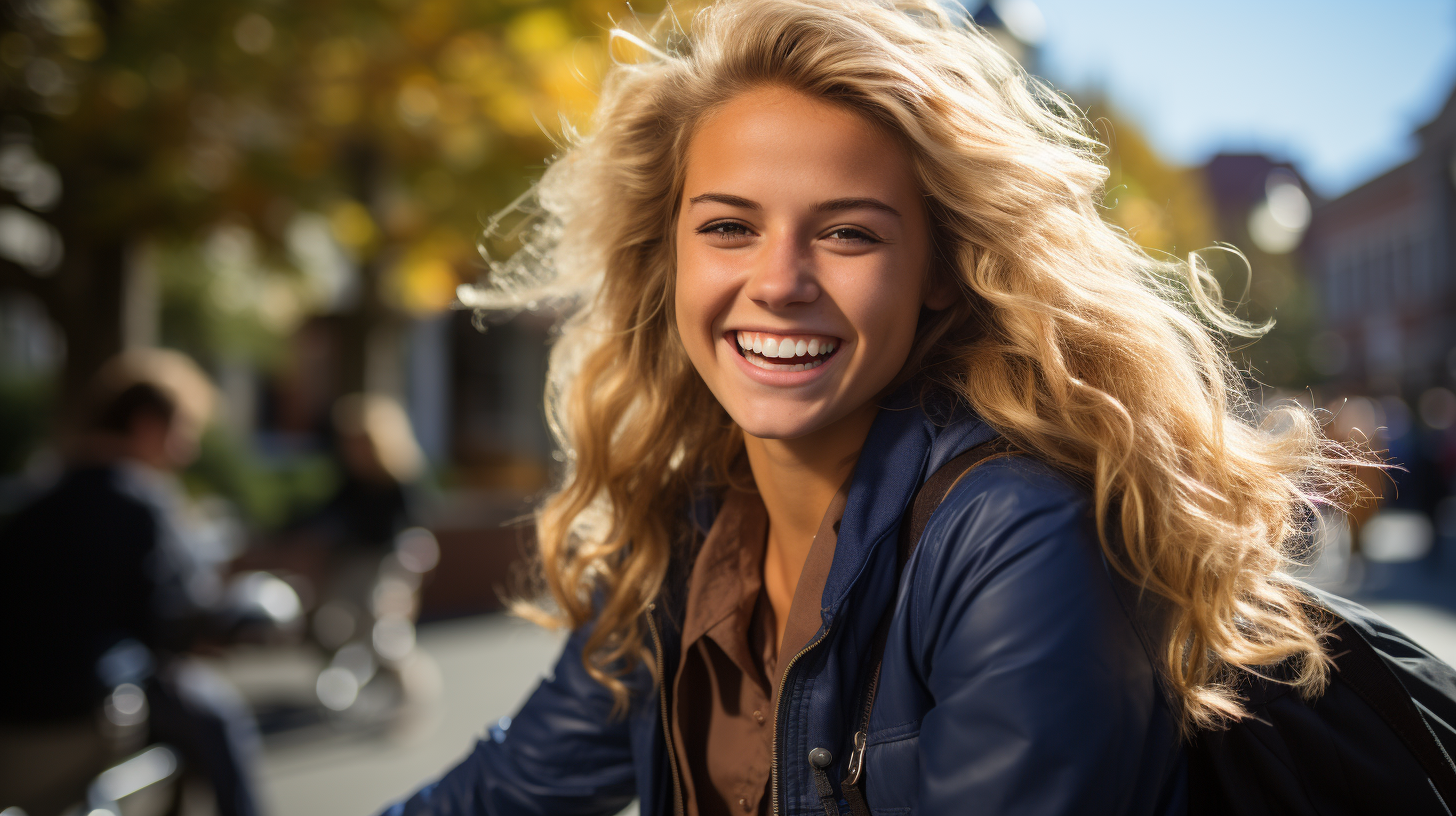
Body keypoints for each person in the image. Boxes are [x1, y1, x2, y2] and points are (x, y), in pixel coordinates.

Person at [383, 1, 1364, 814]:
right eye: (727, 226)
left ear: (939, 271)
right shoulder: (687, 528)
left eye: (847, 234)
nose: (778, 282)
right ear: (668, 255)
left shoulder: (1017, 533)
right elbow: (508, 789)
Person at [0, 348, 264, 816]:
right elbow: (173, 617)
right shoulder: (142, 503)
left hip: (12, 723)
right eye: (183, 432)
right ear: (146, 426)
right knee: (217, 713)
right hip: (84, 710)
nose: (189, 450)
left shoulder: (33, 500)